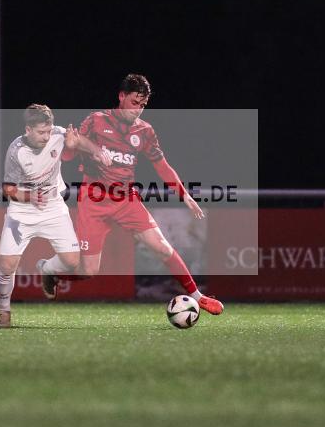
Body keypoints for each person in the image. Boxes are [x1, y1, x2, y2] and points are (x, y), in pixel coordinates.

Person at [57, 74, 224, 316]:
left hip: (126, 200)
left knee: (162, 247)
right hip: (94, 200)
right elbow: (68, 157)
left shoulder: (145, 131)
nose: (138, 110)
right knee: (88, 270)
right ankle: (51, 274)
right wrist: (70, 146)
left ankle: (199, 296)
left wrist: (184, 194)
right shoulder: (96, 120)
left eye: (143, 105)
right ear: (121, 96)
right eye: (135, 102)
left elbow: (162, 166)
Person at [0, 104, 109, 328]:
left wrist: (97, 151)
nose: (47, 136)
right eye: (41, 132)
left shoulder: (57, 134)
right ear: (28, 129)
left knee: (71, 261)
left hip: (54, 208)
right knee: (8, 265)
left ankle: (46, 269)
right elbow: (7, 189)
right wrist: (30, 197)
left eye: (48, 131)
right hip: (22, 212)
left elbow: (79, 141)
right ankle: (4, 312)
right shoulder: (16, 150)